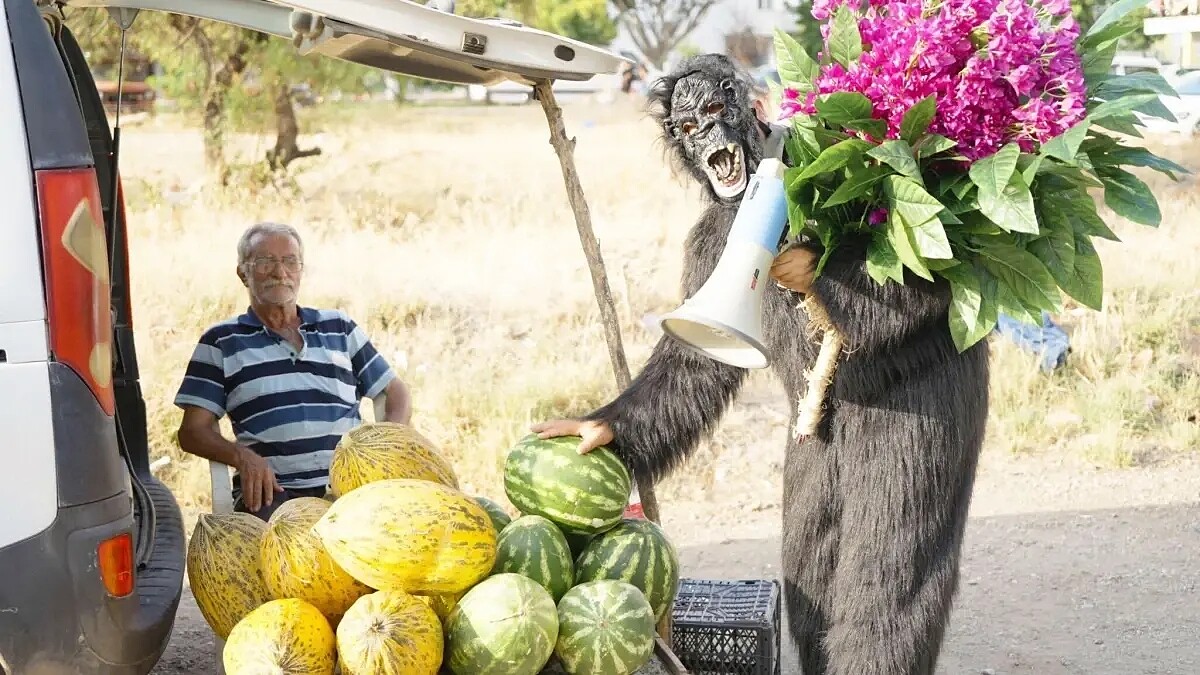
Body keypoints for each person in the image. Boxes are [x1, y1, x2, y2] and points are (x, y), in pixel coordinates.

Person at [173, 221, 411, 520]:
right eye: (265, 262)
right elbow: (192, 432)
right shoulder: (221, 342)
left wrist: (387, 443)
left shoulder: (338, 327)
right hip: (274, 493)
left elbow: (394, 391)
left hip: (351, 486)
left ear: (301, 270)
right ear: (242, 273)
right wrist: (244, 458)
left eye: (289, 261)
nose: (279, 272)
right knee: (287, 552)